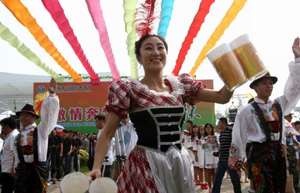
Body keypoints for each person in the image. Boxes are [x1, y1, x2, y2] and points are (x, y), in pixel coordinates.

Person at [87, 34, 233, 192]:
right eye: (148, 48)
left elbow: (222, 97)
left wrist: (234, 73)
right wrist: (96, 167)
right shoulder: (130, 89)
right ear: (139, 58)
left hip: (178, 162)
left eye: (160, 47)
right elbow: (107, 133)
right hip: (145, 164)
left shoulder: (180, 86)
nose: (156, 52)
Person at [228, 37, 300, 193]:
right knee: (263, 190)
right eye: (264, 83)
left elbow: (295, 87)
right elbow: (238, 136)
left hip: (279, 154)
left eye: (271, 83)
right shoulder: (245, 111)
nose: (269, 86)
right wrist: (238, 161)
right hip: (258, 154)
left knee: (280, 188)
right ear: (254, 87)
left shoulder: (279, 103)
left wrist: (297, 59)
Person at [13, 78, 59, 193]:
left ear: (34, 117)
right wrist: (14, 168)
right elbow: (16, 154)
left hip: (37, 169)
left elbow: (49, 117)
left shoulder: (41, 130)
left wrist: (52, 96)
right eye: (21, 115)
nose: (23, 118)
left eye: (26, 115)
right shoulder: (18, 135)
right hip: (22, 170)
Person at [212, 118, 241, 193]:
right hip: (222, 159)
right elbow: (223, 146)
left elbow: (235, 144)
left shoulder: (230, 132)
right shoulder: (221, 133)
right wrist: (218, 152)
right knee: (217, 178)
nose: (217, 124)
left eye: (219, 122)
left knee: (234, 178)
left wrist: (235, 157)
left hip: (230, 159)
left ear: (224, 123)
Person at [0, 117, 19, 193]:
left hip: (9, 170)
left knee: (7, 189)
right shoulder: (10, 135)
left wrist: (13, 169)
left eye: (2, 126)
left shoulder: (13, 136)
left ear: (7, 126)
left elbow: (15, 153)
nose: (2, 128)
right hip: (6, 168)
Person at [284, 113, 300, 192]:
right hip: (289, 151)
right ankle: (295, 189)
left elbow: (292, 136)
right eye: (290, 115)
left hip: (288, 150)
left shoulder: (285, 124)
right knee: (294, 172)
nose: (291, 117)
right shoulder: (286, 124)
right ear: (285, 116)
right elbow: (291, 134)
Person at [203, 123, 219, 192]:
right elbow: (203, 147)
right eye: (207, 128)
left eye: (209, 127)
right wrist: (207, 140)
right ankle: (210, 188)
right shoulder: (203, 137)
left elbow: (218, 147)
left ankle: (214, 187)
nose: (208, 129)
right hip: (208, 156)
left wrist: (215, 140)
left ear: (212, 129)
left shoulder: (215, 136)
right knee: (209, 172)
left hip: (214, 156)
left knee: (214, 172)